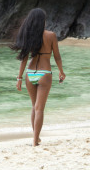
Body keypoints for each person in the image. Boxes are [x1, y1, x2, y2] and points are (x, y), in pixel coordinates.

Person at [11, 8, 66, 146]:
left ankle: (36, 138)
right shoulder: (51, 35)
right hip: (45, 73)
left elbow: (24, 58)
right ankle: (35, 141)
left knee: (34, 107)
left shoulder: (29, 36)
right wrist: (61, 72)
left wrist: (19, 78)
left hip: (30, 74)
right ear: (42, 21)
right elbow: (57, 56)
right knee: (39, 108)